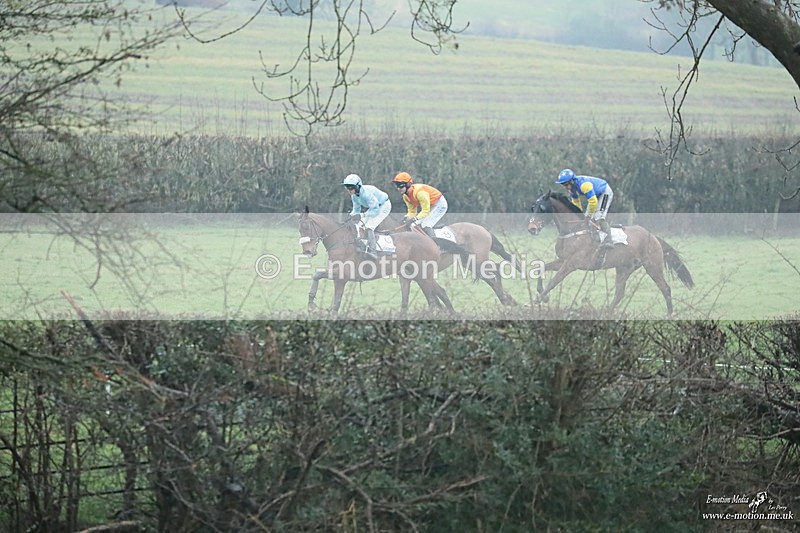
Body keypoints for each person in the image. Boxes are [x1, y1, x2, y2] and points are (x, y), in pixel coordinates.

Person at [555, 168, 615, 248]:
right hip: (596, 195)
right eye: (563, 185)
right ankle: (595, 239)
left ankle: (609, 240)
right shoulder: (571, 189)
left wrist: (588, 216)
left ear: (572, 181)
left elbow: (593, 202)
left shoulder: (584, 185)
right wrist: (579, 215)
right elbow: (576, 202)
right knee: (589, 218)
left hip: (604, 192)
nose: (565, 187)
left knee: (598, 216)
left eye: (566, 184)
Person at [342, 173, 391, 259]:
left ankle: (373, 252)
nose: (349, 190)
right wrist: (350, 216)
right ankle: (362, 247)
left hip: (383, 206)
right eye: (347, 187)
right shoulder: (354, 196)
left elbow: (376, 211)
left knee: (369, 226)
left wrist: (361, 215)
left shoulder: (366, 194)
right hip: (374, 208)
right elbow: (356, 210)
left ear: (357, 186)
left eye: (351, 187)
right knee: (359, 225)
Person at [391, 171, 448, 239]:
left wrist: (415, 218)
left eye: (400, 186)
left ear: (408, 184)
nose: (398, 189)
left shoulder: (420, 193)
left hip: (440, 204)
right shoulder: (406, 196)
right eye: (397, 186)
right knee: (413, 225)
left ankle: (436, 245)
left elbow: (425, 211)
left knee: (425, 225)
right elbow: (412, 211)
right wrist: (406, 217)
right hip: (430, 205)